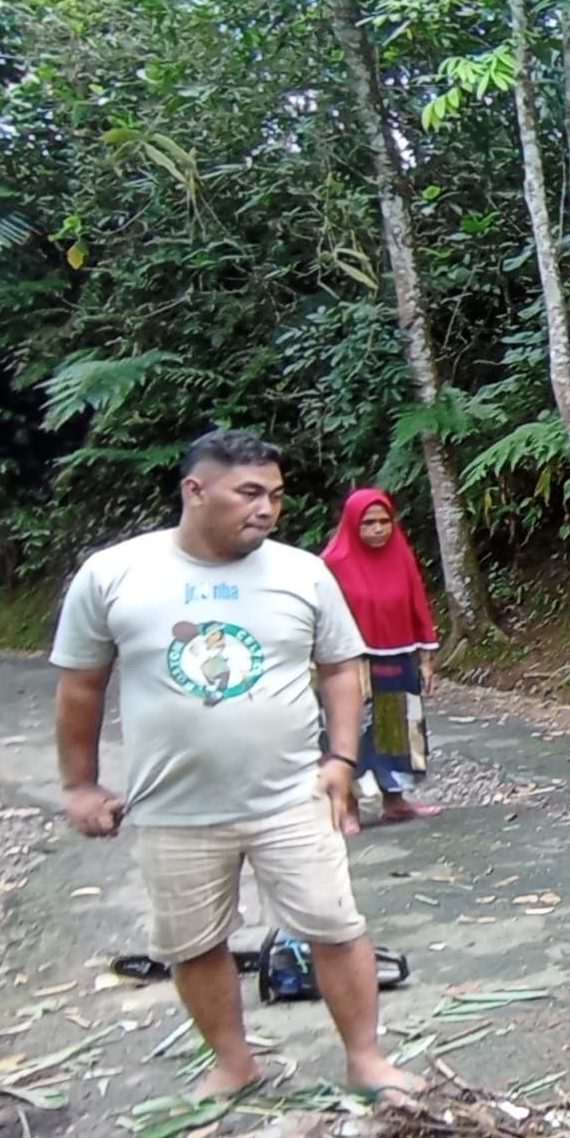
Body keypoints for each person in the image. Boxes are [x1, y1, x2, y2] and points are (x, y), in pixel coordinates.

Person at [50, 429, 415, 1101]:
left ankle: (365, 1058)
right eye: (249, 493)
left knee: (336, 928)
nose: (267, 508)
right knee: (193, 944)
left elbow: (341, 667)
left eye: (275, 495)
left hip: (290, 795)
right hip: (174, 806)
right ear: (195, 490)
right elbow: (81, 685)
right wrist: (79, 783)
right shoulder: (114, 574)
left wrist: (340, 758)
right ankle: (234, 1063)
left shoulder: (302, 572)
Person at [321, 487, 440, 821]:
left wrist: (427, 657)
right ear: (352, 525)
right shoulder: (333, 562)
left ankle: (395, 799)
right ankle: (349, 805)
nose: (377, 530)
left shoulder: (400, 554)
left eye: (383, 521)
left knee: (398, 727)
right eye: (368, 523)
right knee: (351, 728)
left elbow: (417, 601)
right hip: (350, 661)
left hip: (398, 654)